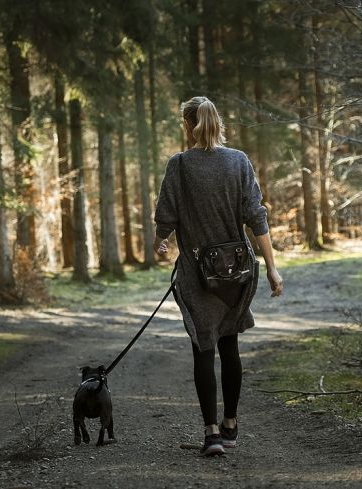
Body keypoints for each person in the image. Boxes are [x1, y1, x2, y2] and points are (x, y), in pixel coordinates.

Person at [153, 96, 283, 457]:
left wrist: (159, 245)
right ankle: (230, 424)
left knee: (203, 347)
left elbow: (166, 218)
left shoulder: (179, 166)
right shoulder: (238, 161)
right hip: (238, 269)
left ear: (187, 124)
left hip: (197, 272)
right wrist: (272, 266)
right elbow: (256, 217)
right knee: (230, 346)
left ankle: (211, 433)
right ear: (217, 122)